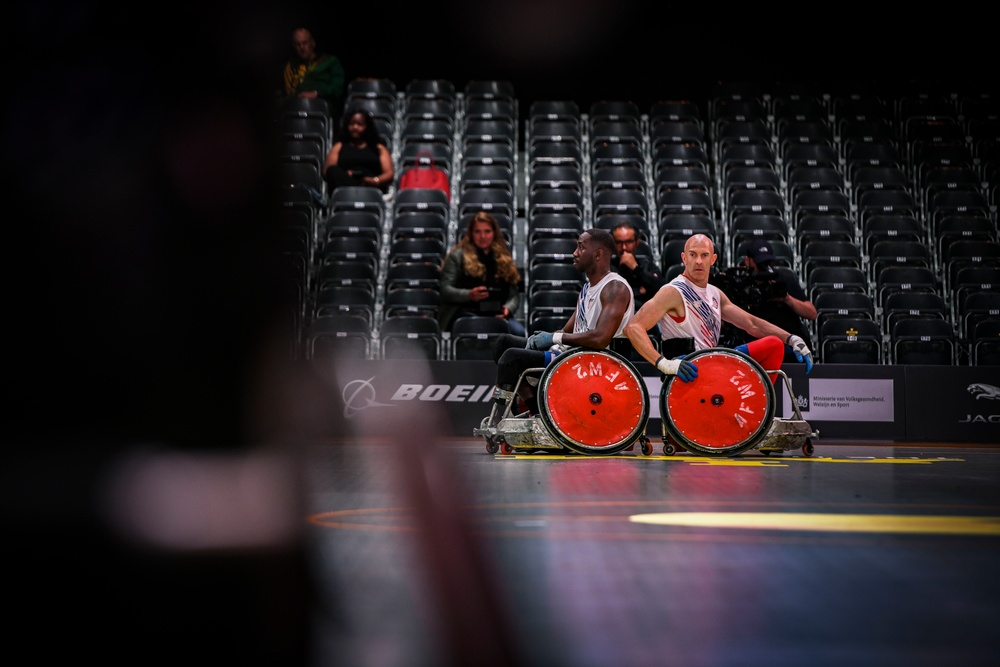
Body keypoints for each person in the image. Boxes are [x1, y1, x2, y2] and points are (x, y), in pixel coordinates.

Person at [484, 228, 635, 424]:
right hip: (575, 355)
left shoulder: (615, 288)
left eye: (581, 247)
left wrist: (553, 339)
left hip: (596, 363)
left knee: (512, 358)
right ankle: (538, 410)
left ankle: (516, 416)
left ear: (598, 254)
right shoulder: (588, 288)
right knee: (503, 343)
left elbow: (600, 339)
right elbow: (566, 332)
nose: (574, 253)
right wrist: (544, 338)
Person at [624, 233, 814, 388]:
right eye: (693, 255)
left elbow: (751, 324)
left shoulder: (715, 293)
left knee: (774, 345)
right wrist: (664, 364)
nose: (698, 261)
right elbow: (633, 327)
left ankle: (757, 407)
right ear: (684, 258)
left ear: (713, 259)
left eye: (704, 255)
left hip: (714, 365)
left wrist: (791, 338)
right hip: (690, 370)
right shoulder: (673, 291)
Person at [438, 211, 526, 336]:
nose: (482, 236)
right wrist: (469, 295)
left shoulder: (504, 258)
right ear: (471, 234)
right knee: (475, 327)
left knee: (518, 332)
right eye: (478, 232)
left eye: (487, 231)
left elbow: (514, 295)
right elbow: (445, 290)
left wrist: (508, 308)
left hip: (496, 314)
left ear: (494, 233)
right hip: (465, 313)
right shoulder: (457, 257)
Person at [735, 239, 817, 362]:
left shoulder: (783, 279)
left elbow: (811, 313)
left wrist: (787, 299)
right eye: (760, 262)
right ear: (748, 261)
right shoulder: (742, 284)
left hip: (788, 347)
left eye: (767, 262)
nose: (764, 266)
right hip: (756, 348)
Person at [322, 107, 394, 193]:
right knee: (332, 170)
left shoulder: (379, 148)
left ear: (367, 126)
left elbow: (389, 173)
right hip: (345, 188)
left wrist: (374, 180)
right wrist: (346, 175)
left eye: (360, 124)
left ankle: (360, 186)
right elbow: (327, 172)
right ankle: (358, 186)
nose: (355, 127)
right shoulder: (339, 146)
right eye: (352, 124)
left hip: (370, 187)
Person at [281, 28, 345, 111]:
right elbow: (289, 93)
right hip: (297, 109)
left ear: (313, 43)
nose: (302, 47)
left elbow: (338, 88)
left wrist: (316, 93)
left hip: (323, 109)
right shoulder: (291, 67)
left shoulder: (330, 61)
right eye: (298, 44)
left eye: (305, 43)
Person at [610, 220, 665, 310]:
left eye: (628, 242)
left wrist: (635, 268)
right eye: (619, 243)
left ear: (637, 242)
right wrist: (640, 291)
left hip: (646, 316)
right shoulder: (606, 268)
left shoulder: (648, 265)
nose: (624, 247)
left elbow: (662, 290)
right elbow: (612, 296)